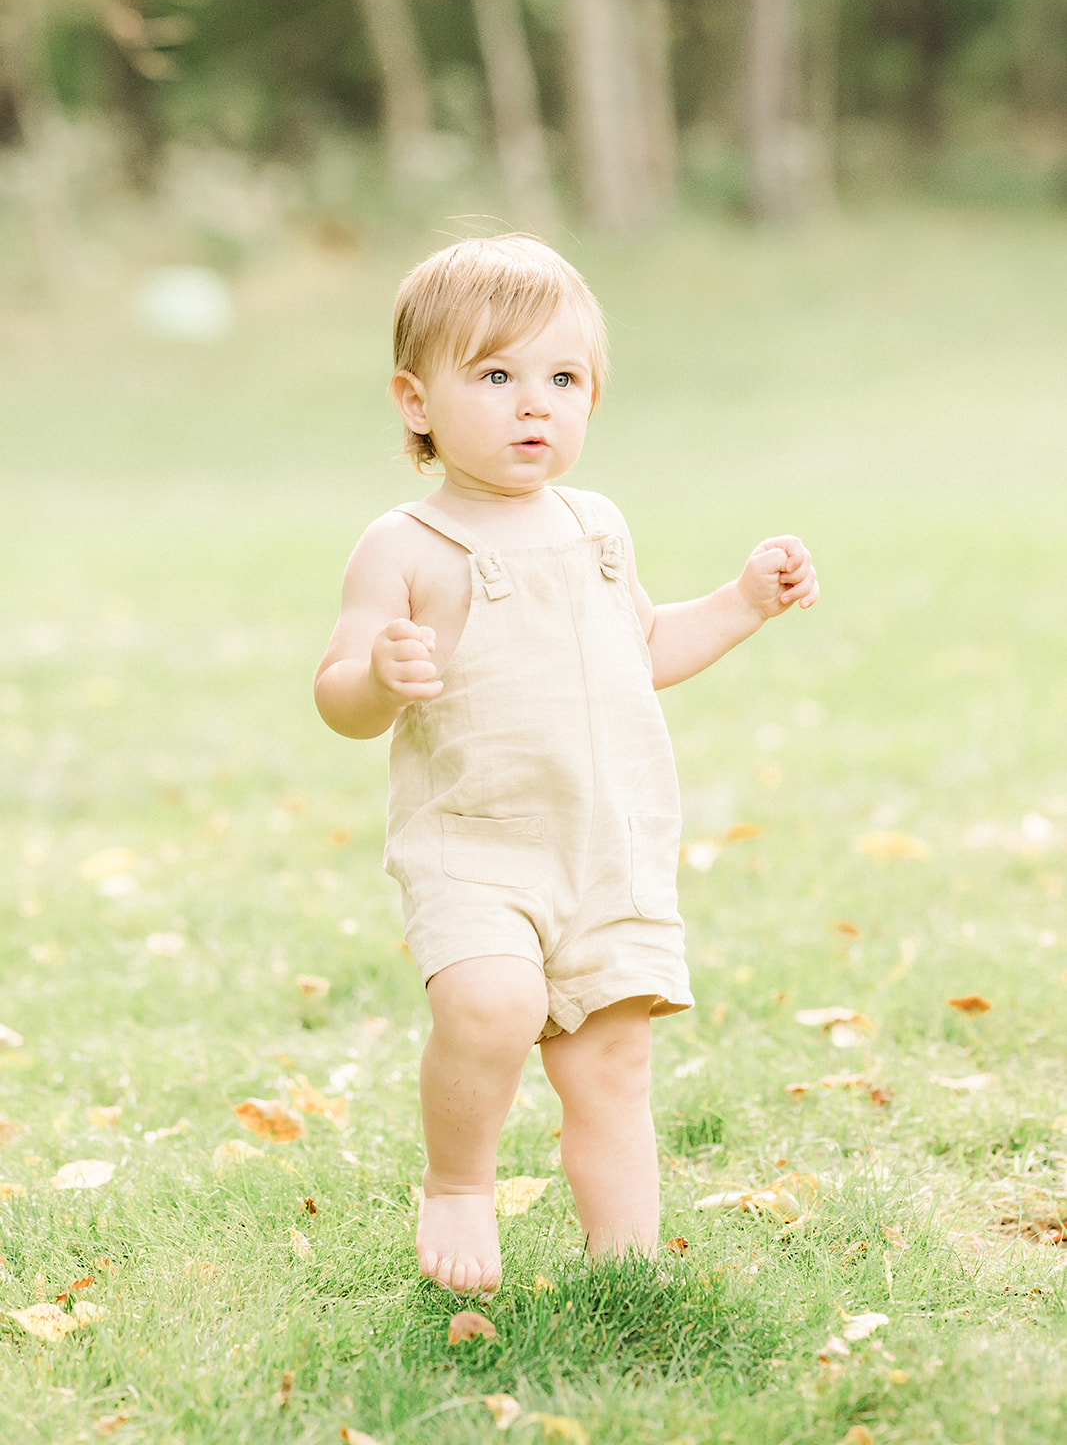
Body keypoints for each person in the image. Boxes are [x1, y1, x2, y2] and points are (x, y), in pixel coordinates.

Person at [315, 234, 818, 1297]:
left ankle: (625, 1269)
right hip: (477, 850)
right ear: (415, 400)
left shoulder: (597, 526)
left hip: (607, 848)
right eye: (494, 375)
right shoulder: (403, 544)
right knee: (491, 1005)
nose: (532, 403)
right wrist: (377, 674)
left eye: (562, 378)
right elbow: (337, 696)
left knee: (612, 1066)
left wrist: (740, 603)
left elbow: (643, 653)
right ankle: (458, 1182)